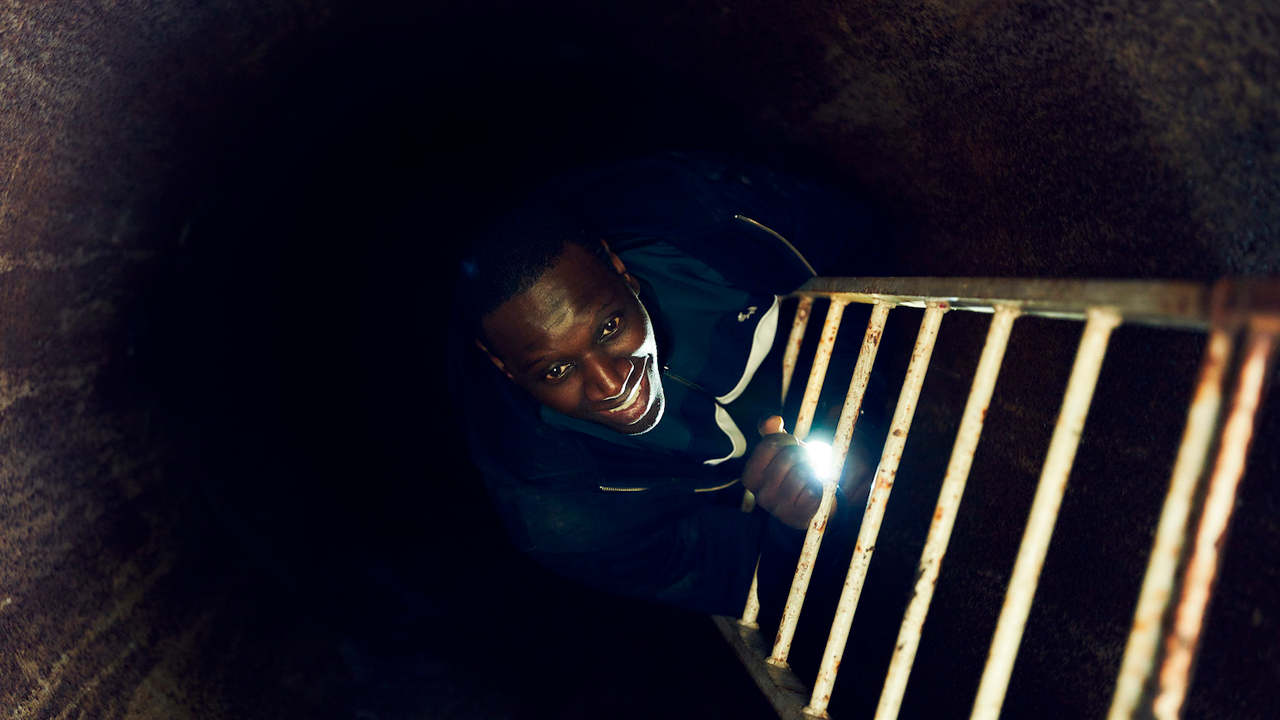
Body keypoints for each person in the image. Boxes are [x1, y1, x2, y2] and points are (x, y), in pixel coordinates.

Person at [449, 151, 888, 617]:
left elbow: (859, 240)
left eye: (609, 327)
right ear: (503, 367)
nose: (611, 385)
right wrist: (800, 524)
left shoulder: (707, 214)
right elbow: (755, 592)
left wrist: (849, 409)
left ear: (620, 272)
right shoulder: (555, 513)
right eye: (556, 371)